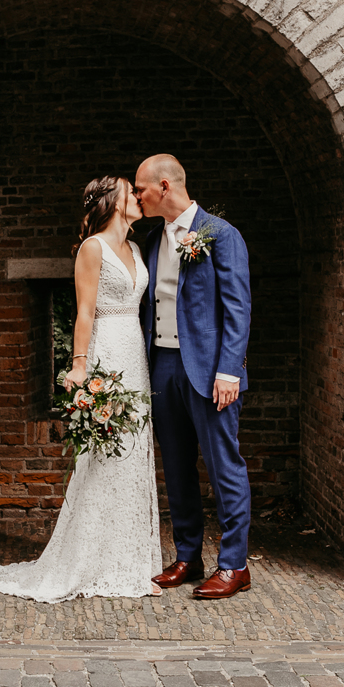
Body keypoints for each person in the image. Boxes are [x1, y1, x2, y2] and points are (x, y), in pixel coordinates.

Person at [0, 176, 162, 602]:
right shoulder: (92, 248)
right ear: (113, 202)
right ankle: (90, 560)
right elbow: (84, 312)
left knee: (134, 451)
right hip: (106, 352)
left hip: (134, 354)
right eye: (130, 192)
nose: (138, 197)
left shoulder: (136, 249)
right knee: (104, 456)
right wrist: (79, 365)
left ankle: (130, 561)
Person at [133, 154, 254, 600]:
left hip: (210, 371)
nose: (137, 197)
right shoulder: (152, 239)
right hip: (162, 365)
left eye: (141, 189)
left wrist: (230, 370)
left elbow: (238, 307)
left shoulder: (220, 235)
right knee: (177, 466)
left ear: (164, 186)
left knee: (224, 466)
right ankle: (188, 556)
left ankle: (234, 565)